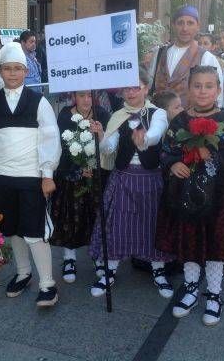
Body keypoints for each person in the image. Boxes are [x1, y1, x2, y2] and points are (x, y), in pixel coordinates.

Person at [156, 65, 224, 326]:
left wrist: (213, 156)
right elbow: (167, 149)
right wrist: (173, 163)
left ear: (218, 90)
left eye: (209, 86)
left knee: (216, 244)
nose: (203, 91)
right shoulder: (180, 121)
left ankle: (214, 294)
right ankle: (191, 286)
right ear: (188, 89)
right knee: (190, 240)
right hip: (186, 195)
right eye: (197, 86)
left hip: (217, 199)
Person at [0, 42, 61, 307]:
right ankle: (23, 272)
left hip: (31, 176)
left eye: (18, 69)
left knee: (34, 230)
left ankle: (48, 283)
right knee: (12, 229)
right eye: (7, 69)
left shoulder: (38, 102)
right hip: (3, 177)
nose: (12, 74)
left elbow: (49, 138)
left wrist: (47, 174)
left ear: (26, 71)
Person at [89, 67, 174, 300]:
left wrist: (144, 138)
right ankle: (109, 273)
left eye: (136, 87)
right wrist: (100, 136)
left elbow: (156, 134)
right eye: (126, 88)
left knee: (152, 224)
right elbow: (109, 148)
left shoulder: (157, 114)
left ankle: (158, 272)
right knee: (117, 225)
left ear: (146, 88)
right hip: (124, 177)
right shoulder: (118, 115)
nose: (130, 92)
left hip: (150, 178)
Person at [50, 90, 110, 283]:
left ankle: (99, 256)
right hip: (72, 175)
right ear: (74, 96)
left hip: (96, 174)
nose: (86, 100)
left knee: (96, 216)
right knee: (71, 216)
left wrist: (100, 134)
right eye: (82, 95)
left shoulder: (102, 114)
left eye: (90, 96)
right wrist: (78, 167)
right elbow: (61, 145)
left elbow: (109, 146)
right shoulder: (66, 115)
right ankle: (69, 258)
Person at [152, 5, 223, 107]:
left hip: (190, 119)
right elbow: (150, 84)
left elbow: (217, 95)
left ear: (198, 26)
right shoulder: (159, 53)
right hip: (159, 117)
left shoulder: (206, 57)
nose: (185, 28)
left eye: (190, 23)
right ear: (173, 25)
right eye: (180, 23)